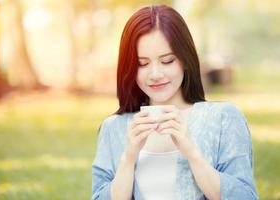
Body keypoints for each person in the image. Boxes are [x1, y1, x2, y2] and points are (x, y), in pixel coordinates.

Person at [92, 5, 259, 200]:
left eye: (167, 60)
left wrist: (192, 153)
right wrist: (128, 158)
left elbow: (245, 196)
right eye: (142, 63)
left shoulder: (223, 118)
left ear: (185, 60)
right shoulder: (114, 128)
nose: (155, 74)